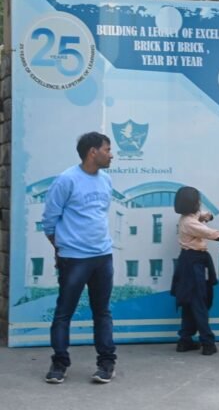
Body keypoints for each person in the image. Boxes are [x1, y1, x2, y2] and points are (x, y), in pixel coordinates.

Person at [41, 132, 117, 384]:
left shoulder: (106, 180)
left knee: (102, 312)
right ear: (92, 152)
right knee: (64, 312)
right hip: (74, 259)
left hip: (103, 256)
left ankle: (106, 364)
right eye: (107, 149)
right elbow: (49, 221)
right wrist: (62, 248)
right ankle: (59, 364)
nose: (111, 154)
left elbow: (99, 214)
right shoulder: (66, 180)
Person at [172, 186, 219, 356]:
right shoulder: (189, 223)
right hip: (193, 263)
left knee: (191, 302)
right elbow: (212, 234)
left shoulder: (189, 217)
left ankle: (185, 340)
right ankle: (207, 342)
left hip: (193, 261)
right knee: (199, 302)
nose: (199, 203)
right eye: (197, 200)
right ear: (192, 203)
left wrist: (207, 216)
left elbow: (202, 215)